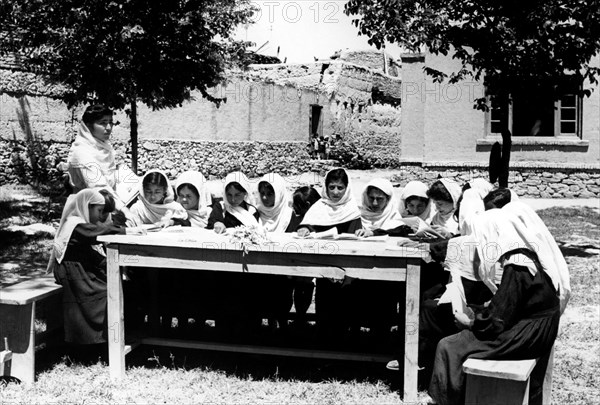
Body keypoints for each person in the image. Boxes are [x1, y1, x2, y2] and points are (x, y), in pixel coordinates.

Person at [428, 209, 562, 405]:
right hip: (538, 327)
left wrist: (470, 323)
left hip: (528, 334)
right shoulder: (528, 254)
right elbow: (512, 303)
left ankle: (449, 401)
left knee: (449, 346)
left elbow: (496, 322)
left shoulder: (517, 265)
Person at [51, 189, 123, 350]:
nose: (100, 215)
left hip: (80, 268)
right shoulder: (75, 225)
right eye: (98, 211)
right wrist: (125, 231)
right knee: (103, 290)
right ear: (86, 207)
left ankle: (103, 338)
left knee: (112, 282)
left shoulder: (79, 223)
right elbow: (97, 232)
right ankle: (90, 342)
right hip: (71, 272)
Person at [296, 168, 362, 343]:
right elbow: (309, 225)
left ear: (347, 188)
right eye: (331, 187)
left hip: (348, 271)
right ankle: (323, 345)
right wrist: (305, 229)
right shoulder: (320, 207)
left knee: (345, 310)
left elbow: (357, 238)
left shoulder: (353, 210)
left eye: (340, 188)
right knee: (325, 310)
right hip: (324, 270)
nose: (335, 192)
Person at [65, 104, 137, 221]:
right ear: (88, 126)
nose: (108, 127)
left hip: (104, 209)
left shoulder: (104, 147)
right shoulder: (82, 151)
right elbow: (99, 186)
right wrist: (124, 210)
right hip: (85, 211)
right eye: (102, 123)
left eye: (110, 122)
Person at [290, 185, 321, 327]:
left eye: (297, 205)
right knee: (301, 285)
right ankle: (299, 315)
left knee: (305, 285)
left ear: (307, 205)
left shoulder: (317, 218)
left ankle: (301, 314)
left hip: (311, 259)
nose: (294, 208)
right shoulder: (300, 217)